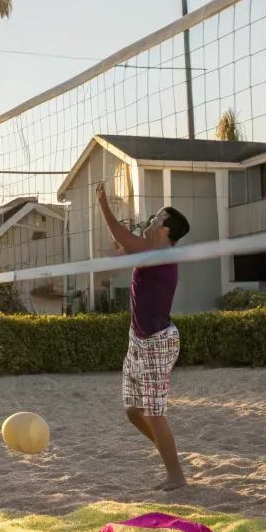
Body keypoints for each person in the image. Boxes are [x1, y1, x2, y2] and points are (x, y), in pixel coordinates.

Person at [96, 186, 190, 489]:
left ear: (165, 229)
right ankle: (169, 452)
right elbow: (117, 249)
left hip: (158, 340)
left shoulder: (162, 254)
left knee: (153, 412)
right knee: (133, 411)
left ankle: (176, 475)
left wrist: (103, 204)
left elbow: (124, 239)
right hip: (137, 338)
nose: (150, 220)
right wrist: (117, 247)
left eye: (156, 218)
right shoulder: (150, 251)